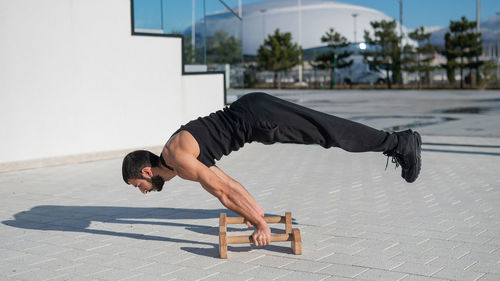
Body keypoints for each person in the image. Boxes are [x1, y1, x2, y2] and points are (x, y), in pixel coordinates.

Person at [122, 92, 421, 247]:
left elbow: (223, 193)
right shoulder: (176, 154)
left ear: (147, 172)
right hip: (253, 111)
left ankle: (399, 143)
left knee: (329, 132)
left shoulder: (180, 160)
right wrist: (257, 213)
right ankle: (397, 142)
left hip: (259, 118)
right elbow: (230, 184)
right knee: (326, 132)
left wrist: (260, 226)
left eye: (138, 185)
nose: (143, 192)